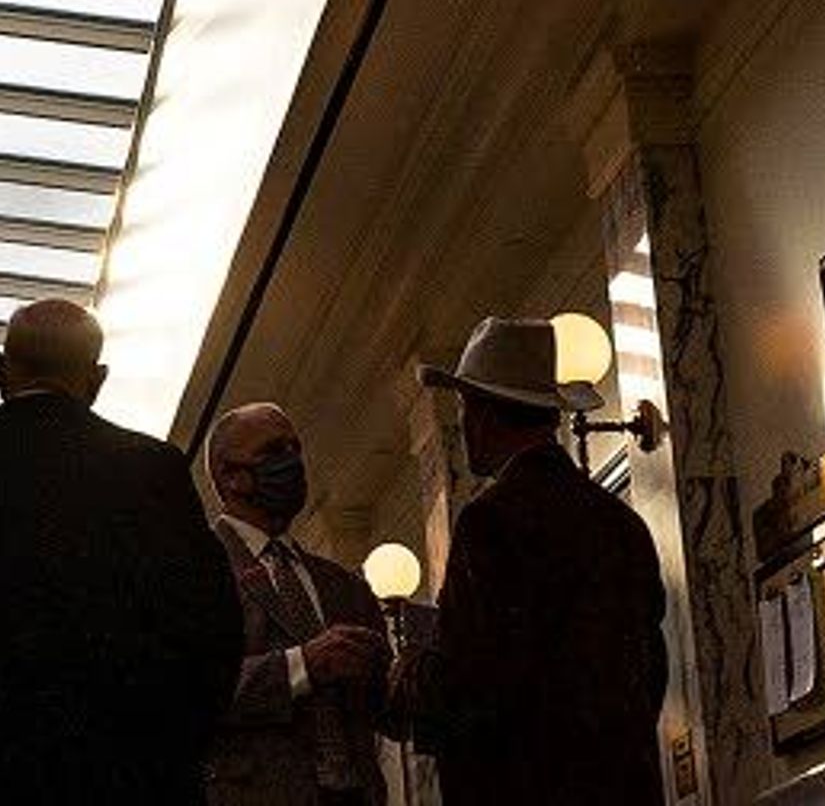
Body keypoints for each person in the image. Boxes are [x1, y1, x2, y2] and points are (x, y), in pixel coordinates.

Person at [0, 298, 243, 804]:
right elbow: (213, 632)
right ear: (97, 379)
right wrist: (173, 752)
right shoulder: (153, 472)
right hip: (138, 776)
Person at [398, 319, 668, 805]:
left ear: (479, 414)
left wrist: (406, 675)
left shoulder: (491, 521)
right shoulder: (621, 522)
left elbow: (468, 677)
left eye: (463, 409)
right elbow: (653, 670)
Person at [201, 402, 394, 806]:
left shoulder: (343, 585)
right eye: (272, 453)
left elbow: (387, 710)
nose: (291, 463)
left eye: (295, 449)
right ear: (229, 475)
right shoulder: (193, 572)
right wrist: (302, 664)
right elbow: (189, 689)